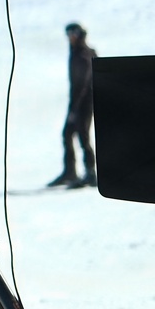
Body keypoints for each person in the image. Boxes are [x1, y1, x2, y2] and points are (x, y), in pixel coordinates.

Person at [47, 22, 97, 189]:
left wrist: (74, 109)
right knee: (69, 134)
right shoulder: (77, 52)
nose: (70, 38)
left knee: (82, 135)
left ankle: (90, 173)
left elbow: (82, 84)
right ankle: (71, 172)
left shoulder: (83, 55)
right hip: (78, 102)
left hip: (84, 103)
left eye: (72, 34)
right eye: (68, 34)